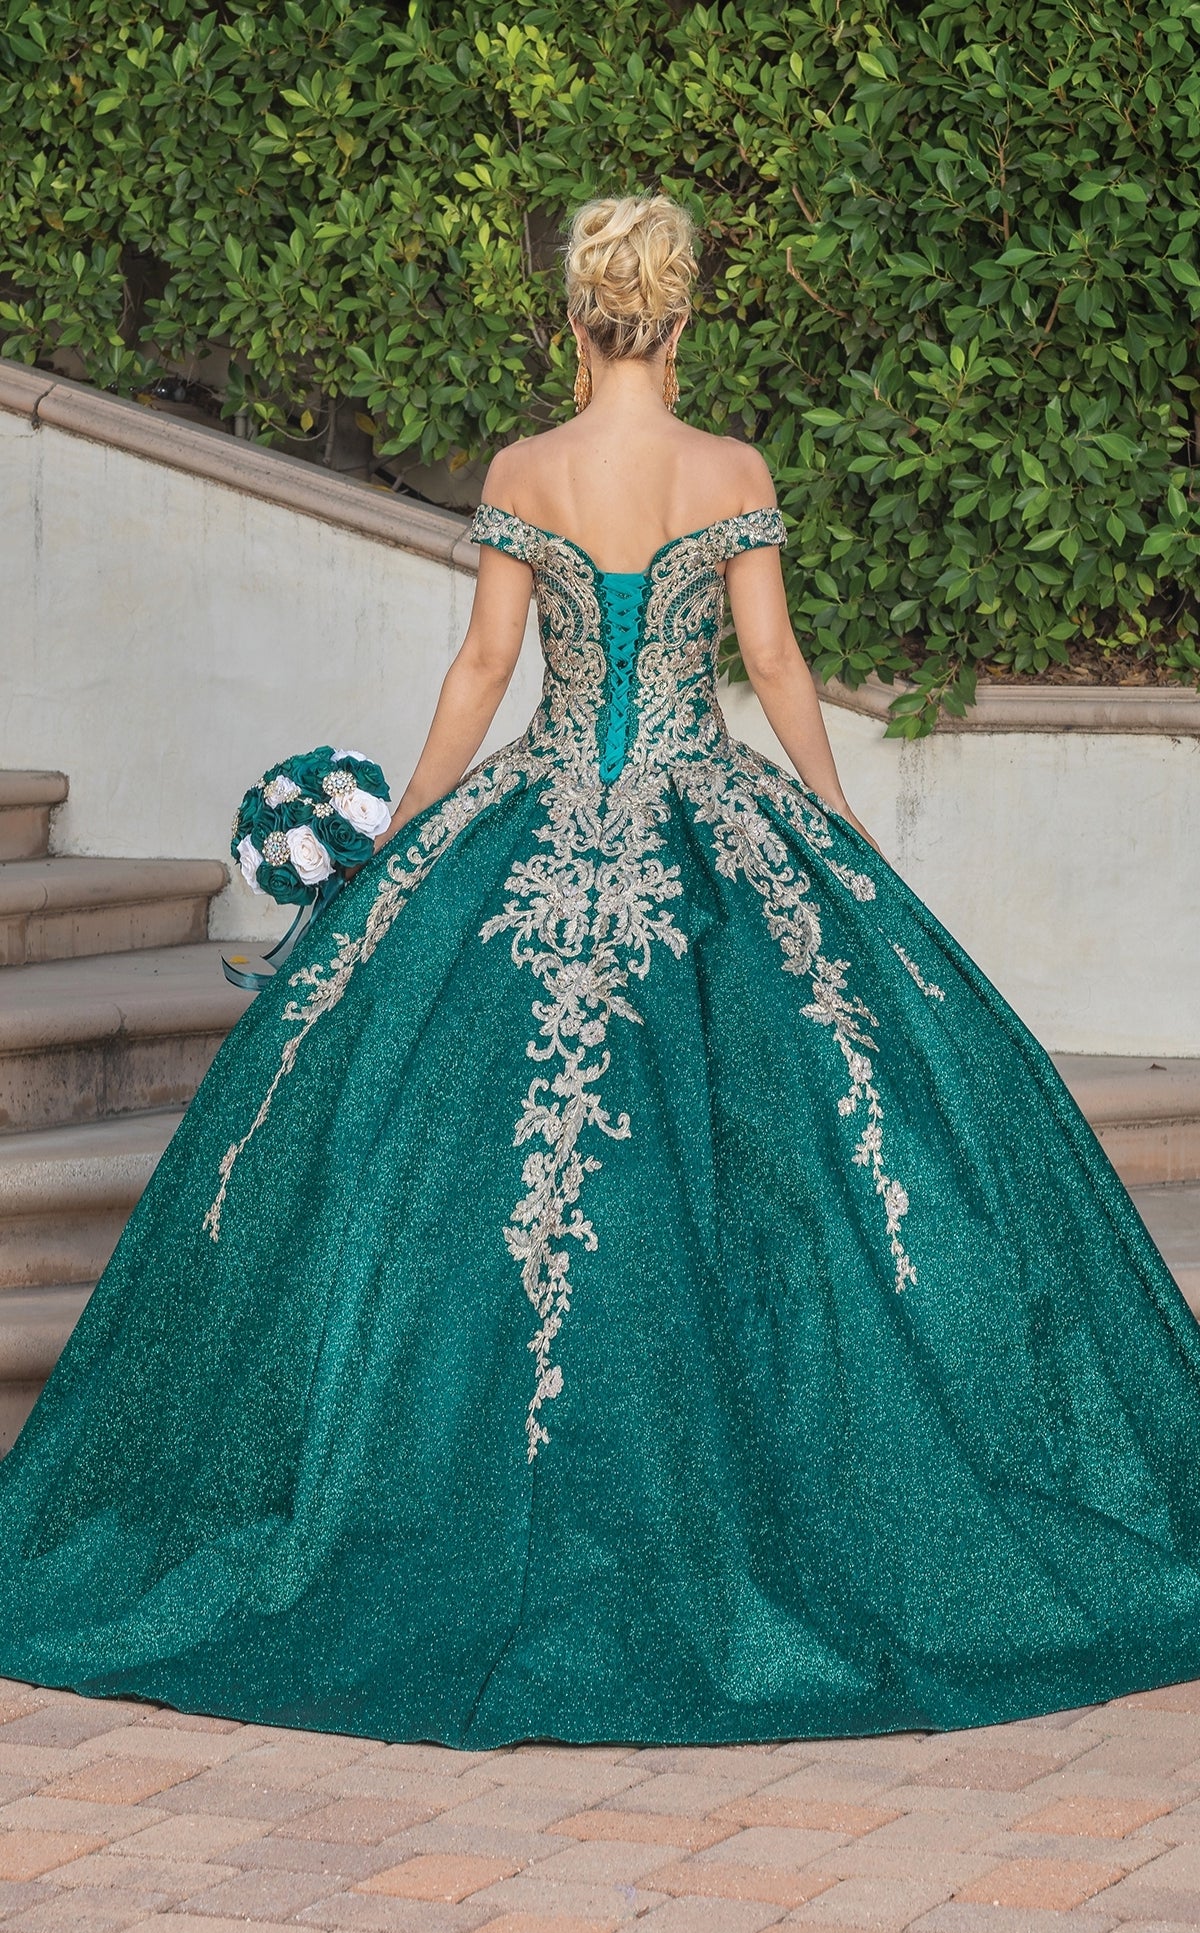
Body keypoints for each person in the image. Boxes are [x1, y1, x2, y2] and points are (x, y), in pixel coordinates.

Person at [0, 193, 1197, 1750]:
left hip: (537, 825)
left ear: (576, 319)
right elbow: (769, 667)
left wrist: (411, 830)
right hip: (718, 827)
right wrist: (835, 833)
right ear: (684, 318)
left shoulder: (527, 474)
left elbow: (488, 667)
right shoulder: (732, 475)